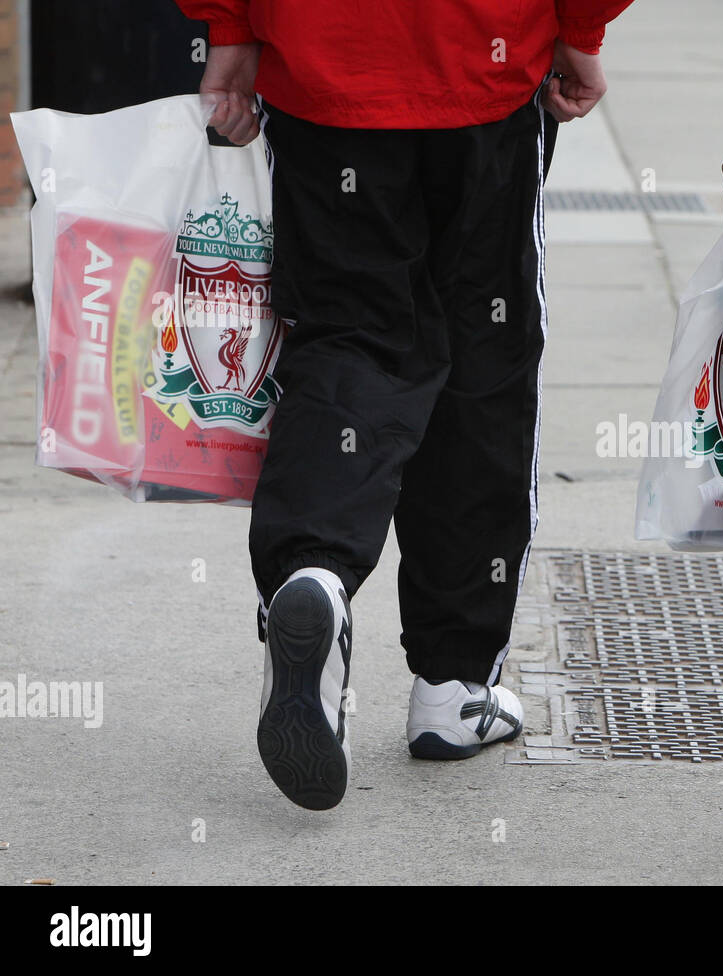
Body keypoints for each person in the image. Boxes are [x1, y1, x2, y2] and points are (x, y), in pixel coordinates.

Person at [176, 0, 632, 810]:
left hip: (325, 65)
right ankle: (454, 686)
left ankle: (312, 569)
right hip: (484, 67)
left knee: (350, 336)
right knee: (481, 361)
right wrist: (582, 27)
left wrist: (229, 24)